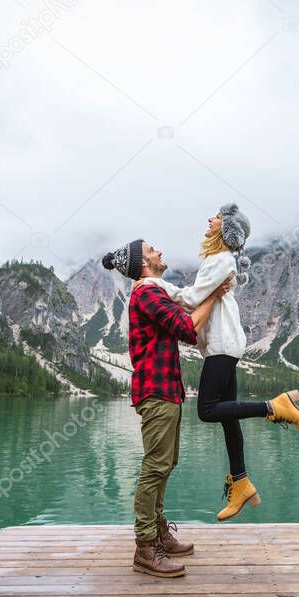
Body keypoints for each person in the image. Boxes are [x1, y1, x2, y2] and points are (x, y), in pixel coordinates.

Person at [139, 203, 299, 523]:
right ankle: (241, 481)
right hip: (225, 344)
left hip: (222, 344)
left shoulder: (219, 259)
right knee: (229, 417)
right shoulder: (220, 260)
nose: (209, 219)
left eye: (215, 217)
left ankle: (275, 407)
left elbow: (191, 300)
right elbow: (202, 299)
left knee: (207, 410)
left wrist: (152, 284)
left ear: (225, 228)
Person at [102, 238, 230, 578]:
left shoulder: (154, 292)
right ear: (144, 264)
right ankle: (145, 548)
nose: (159, 251)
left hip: (166, 392)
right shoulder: (146, 293)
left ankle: (158, 533)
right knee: (155, 466)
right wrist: (215, 295)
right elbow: (187, 329)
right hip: (156, 392)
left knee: (165, 463)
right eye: (152, 250)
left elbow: (182, 318)